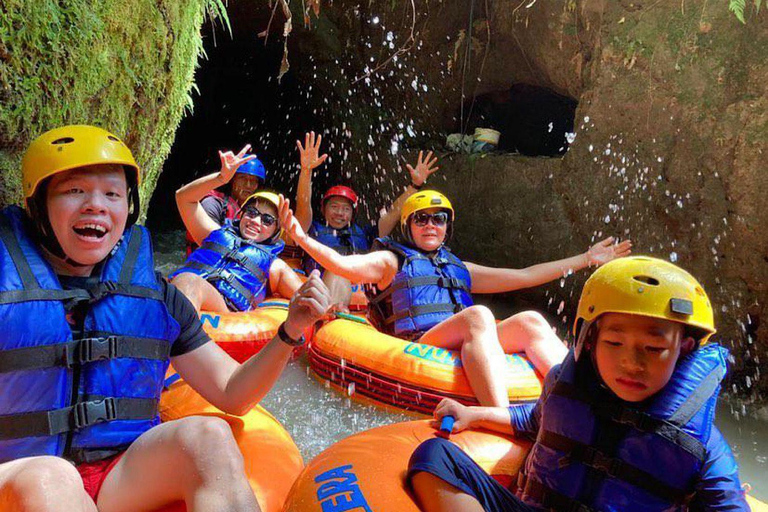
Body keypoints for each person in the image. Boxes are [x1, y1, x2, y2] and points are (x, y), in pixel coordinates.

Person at [0, 125, 335, 512]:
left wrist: (291, 329)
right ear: (38, 204)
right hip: (19, 472)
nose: (96, 205)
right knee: (50, 479)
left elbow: (233, 393)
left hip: (119, 475)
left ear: (128, 207)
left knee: (209, 436)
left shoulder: (155, 295)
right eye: (75, 190)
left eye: (112, 193)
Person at [407, 256, 748, 512]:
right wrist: (474, 413)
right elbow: (534, 420)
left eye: (654, 349)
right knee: (434, 456)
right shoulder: (565, 388)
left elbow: (727, 504)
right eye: (614, 343)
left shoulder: (702, 447)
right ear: (589, 341)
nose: (631, 362)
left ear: (683, 350)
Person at [278, 189, 631, 406]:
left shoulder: (460, 266)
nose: (431, 225)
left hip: (462, 338)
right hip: (419, 343)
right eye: (422, 219)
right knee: (478, 316)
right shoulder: (391, 260)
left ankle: (583, 400)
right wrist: (302, 239)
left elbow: (525, 275)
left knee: (531, 321)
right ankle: (500, 415)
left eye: (439, 219)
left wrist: (586, 259)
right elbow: (343, 264)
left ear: (447, 226)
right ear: (408, 226)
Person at [293, 132, 440, 308]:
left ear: (352, 214)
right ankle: (332, 315)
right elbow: (303, 204)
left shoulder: (363, 233)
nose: (340, 213)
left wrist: (415, 186)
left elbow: (393, 213)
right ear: (323, 209)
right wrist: (306, 171)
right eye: (334, 207)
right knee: (338, 269)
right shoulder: (311, 229)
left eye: (346, 209)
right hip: (324, 288)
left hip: (360, 293)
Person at [171, 145, 302, 313]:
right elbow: (183, 197)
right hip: (184, 291)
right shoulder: (214, 234)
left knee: (189, 282)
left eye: (267, 220)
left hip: (219, 305)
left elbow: (307, 297)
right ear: (241, 214)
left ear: (277, 231)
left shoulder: (275, 266)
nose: (255, 220)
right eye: (252, 212)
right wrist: (220, 177)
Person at [184, 154, 265, 255]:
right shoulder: (212, 204)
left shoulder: (253, 214)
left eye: (253, 181)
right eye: (242, 178)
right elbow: (210, 246)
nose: (248, 185)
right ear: (232, 180)